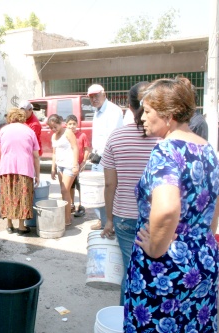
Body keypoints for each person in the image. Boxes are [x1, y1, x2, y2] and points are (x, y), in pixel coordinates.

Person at [124, 77, 219, 332]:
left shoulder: (167, 150)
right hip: (203, 258)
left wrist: (156, 249)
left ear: (168, 115)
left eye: (147, 112)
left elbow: (167, 209)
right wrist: (199, 241)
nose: (142, 118)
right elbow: (216, 207)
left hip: (166, 267)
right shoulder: (208, 149)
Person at [99, 81, 158, 305]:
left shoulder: (116, 138)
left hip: (124, 217)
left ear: (129, 106)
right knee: (155, 271)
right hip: (158, 218)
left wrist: (108, 220)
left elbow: (109, 185)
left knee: (131, 269)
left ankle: (128, 319)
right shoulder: (164, 138)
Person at [0, 108, 40, 235]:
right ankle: (21, 227)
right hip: (25, 168)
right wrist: (38, 175)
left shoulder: (3, 130)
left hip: (6, 168)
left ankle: (9, 225)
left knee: (7, 195)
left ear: (10, 118)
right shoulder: (29, 131)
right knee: (23, 196)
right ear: (22, 118)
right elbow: (36, 155)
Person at [87, 84, 123, 230]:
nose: (94, 99)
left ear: (104, 94)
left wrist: (100, 153)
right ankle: (102, 220)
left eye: (96, 95)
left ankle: (110, 222)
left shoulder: (113, 111)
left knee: (109, 189)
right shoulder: (97, 112)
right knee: (98, 190)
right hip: (97, 156)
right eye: (91, 97)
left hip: (108, 157)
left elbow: (112, 137)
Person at [47, 114, 79, 227]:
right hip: (60, 166)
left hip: (69, 165)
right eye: (51, 128)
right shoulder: (53, 136)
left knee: (65, 190)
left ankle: (67, 219)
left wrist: (75, 165)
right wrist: (53, 168)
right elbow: (54, 153)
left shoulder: (68, 132)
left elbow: (75, 148)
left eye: (55, 126)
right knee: (63, 191)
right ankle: (66, 215)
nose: (53, 129)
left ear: (61, 123)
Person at [66, 115, 90, 217]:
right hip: (69, 165)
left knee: (80, 187)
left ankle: (81, 206)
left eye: (74, 124)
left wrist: (83, 161)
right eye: (70, 124)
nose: (72, 126)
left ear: (77, 124)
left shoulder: (82, 135)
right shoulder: (66, 136)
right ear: (66, 125)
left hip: (79, 166)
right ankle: (71, 204)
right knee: (71, 186)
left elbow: (87, 149)